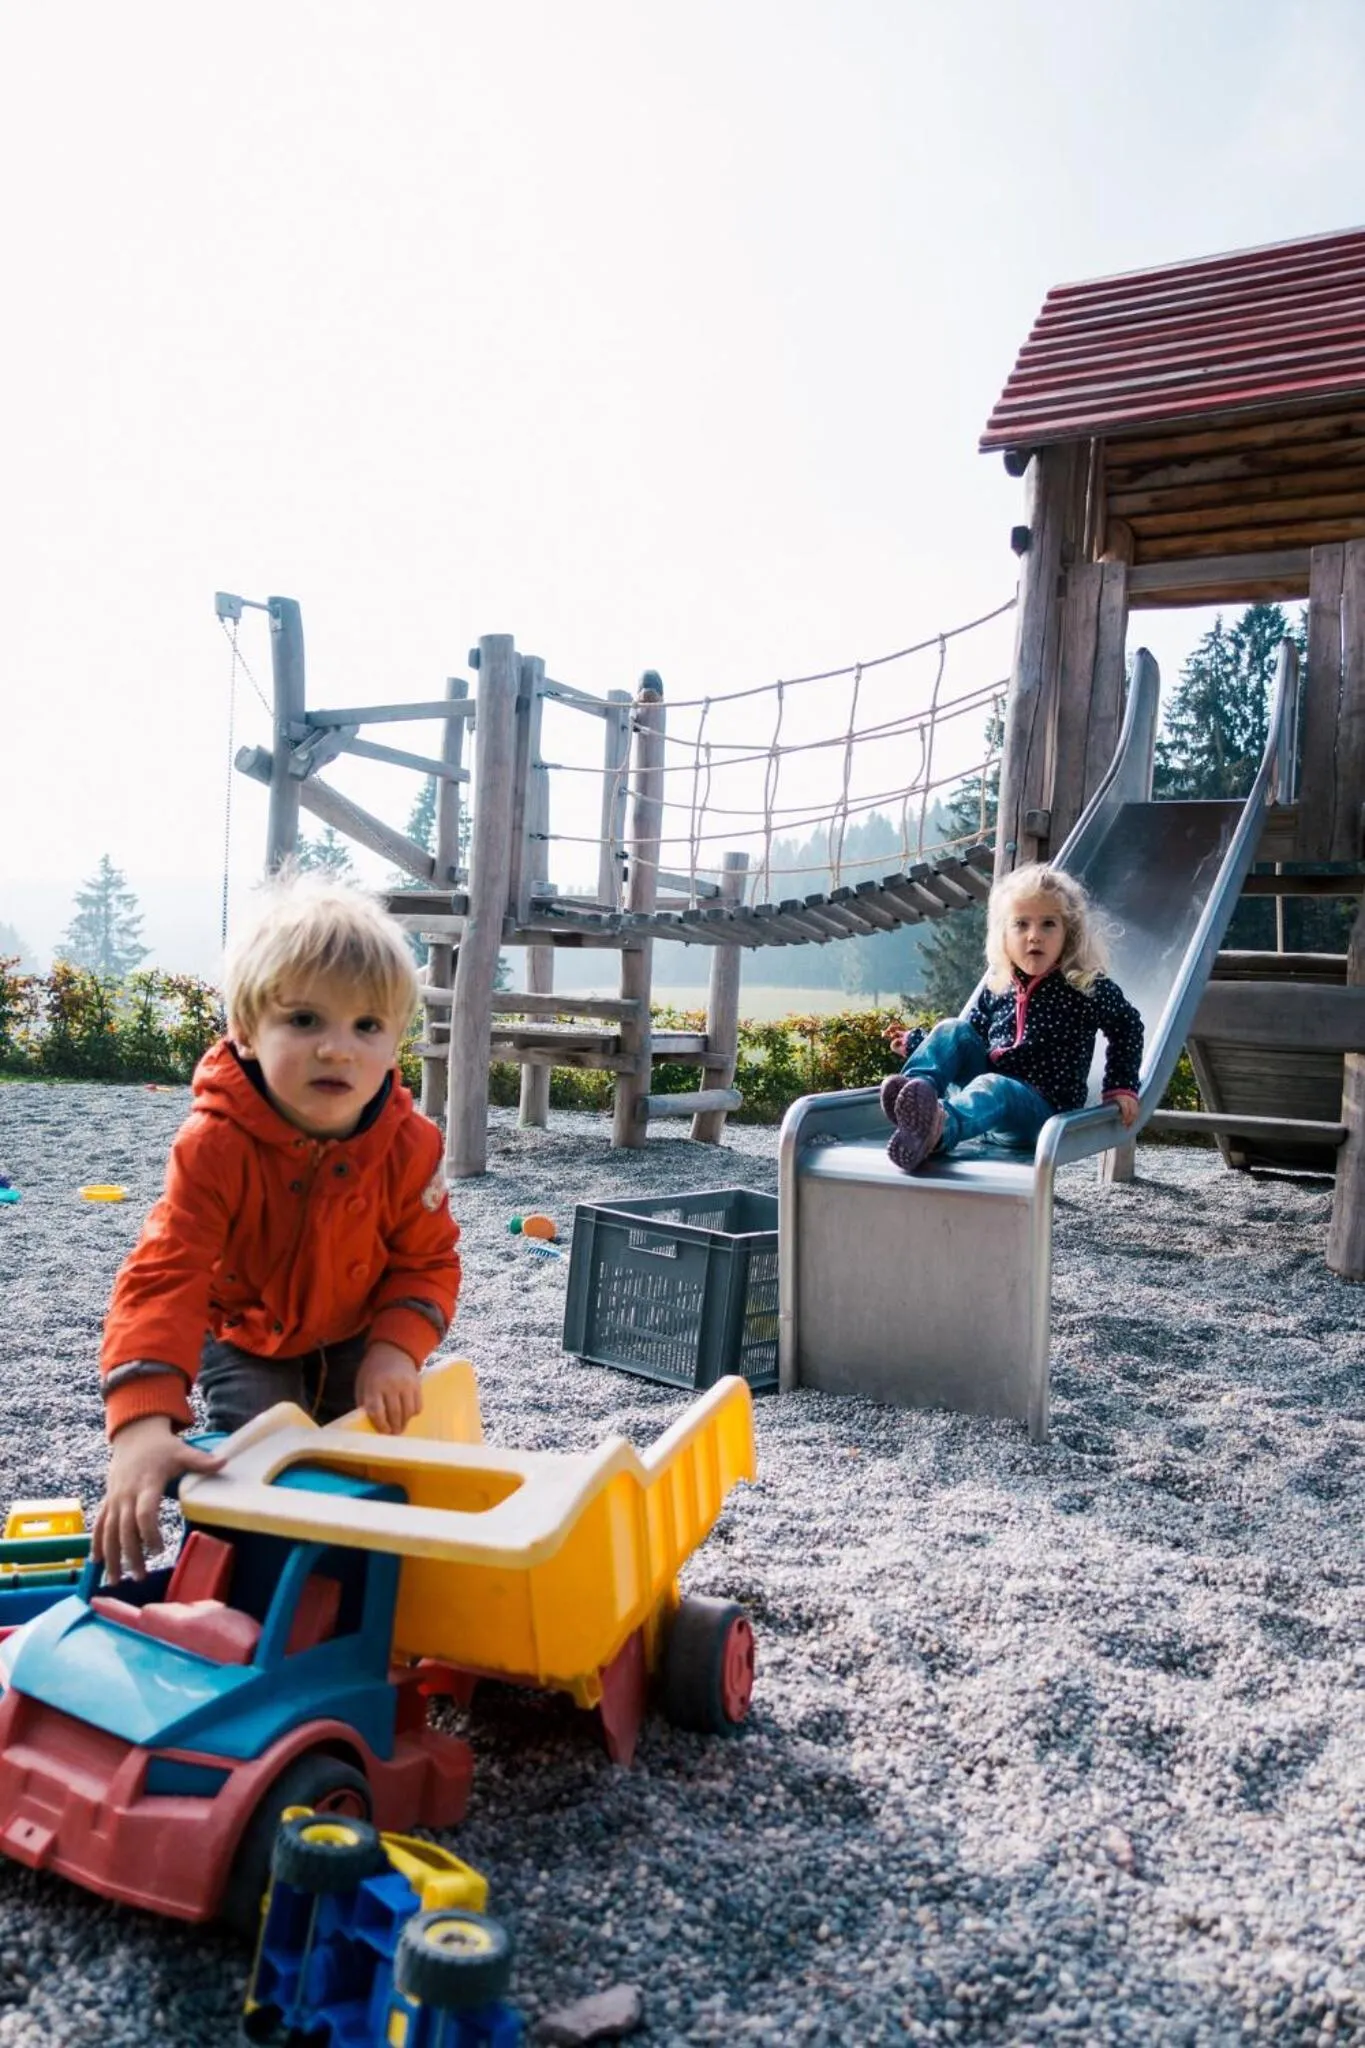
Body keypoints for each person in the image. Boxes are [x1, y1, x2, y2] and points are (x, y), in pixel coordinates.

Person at [94, 871, 461, 1582]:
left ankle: (365, 1586)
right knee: (258, 1466)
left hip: (357, 1332)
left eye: (366, 1025)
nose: (337, 1049)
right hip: (249, 1334)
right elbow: (166, 1273)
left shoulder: (410, 1145)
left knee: (374, 1464)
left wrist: (396, 1347)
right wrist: (141, 1424)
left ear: (395, 1043)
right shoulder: (215, 1143)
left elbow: (427, 1261)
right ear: (247, 1032)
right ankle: (254, 1588)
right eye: (304, 1020)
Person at [881, 863, 1143, 1174]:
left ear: (1068, 934)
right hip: (985, 1097)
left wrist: (1121, 1085)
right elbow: (969, 1041)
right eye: (1021, 924)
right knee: (953, 1029)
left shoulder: (1084, 986)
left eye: (1048, 924)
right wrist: (915, 1041)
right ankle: (916, 1093)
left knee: (994, 1087)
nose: (1035, 936)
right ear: (1004, 934)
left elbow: (1128, 1026)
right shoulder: (999, 985)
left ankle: (938, 1128)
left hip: (1041, 1113)